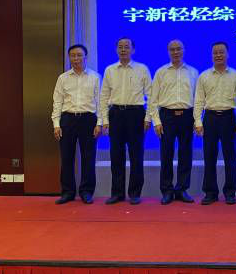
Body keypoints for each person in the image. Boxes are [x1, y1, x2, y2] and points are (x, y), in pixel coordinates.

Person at [100, 38, 152, 205]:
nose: (123, 50)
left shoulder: (142, 69)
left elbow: (151, 95)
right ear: (116, 50)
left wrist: (148, 117)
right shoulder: (109, 70)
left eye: (126, 47)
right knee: (116, 155)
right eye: (120, 47)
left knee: (136, 155)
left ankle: (135, 193)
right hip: (115, 113)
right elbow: (103, 97)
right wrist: (104, 120)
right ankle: (117, 193)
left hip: (136, 114)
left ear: (133, 50)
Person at [149, 40, 198, 205]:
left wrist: (197, 120)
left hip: (187, 116)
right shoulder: (161, 72)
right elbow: (153, 99)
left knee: (186, 154)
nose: (176, 52)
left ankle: (182, 189)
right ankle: (167, 191)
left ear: (184, 50)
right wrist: (156, 121)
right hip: (167, 116)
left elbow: (199, 99)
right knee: (166, 154)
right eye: (172, 49)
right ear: (168, 51)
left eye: (178, 49)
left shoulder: (193, 72)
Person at [51, 44, 102, 204]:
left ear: (85, 57)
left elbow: (100, 102)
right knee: (66, 157)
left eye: (79, 55)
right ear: (69, 58)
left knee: (88, 157)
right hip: (68, 120)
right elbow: (57, 102)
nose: (76, 58)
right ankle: (68, 192)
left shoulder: (95, 77)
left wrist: (99, 123)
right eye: (73, 55)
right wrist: (56, 124)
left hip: (88, 120)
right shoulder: (63, 78)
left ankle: (86, 192)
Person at [194, 42, 236, 205]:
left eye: (221, 52)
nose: (218, 55)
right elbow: (199, 101)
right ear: (211, 55)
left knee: (230, 157)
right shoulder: (204, 76)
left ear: (228, 54)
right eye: (215, 52)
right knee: (209, 157)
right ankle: (210, 192)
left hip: (229, 118)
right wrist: (198, 122)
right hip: (210, 118)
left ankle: (230, 192)